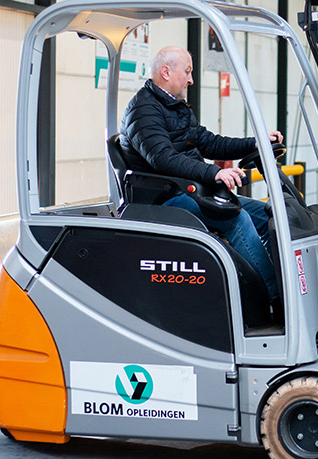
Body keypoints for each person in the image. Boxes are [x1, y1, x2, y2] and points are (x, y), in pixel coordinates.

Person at [119, 46, 282, 302]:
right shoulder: (143, 111)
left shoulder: (174, 107)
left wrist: (256, 142)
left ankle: (281, 283)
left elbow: (210, 142)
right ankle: (274, 299)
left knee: (269, 215)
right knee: (236, 220)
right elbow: (164, 159)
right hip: (163, 197)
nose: (191, 79)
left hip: (188, 188)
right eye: (187, 72)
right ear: (166, 72)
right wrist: (214, 173)